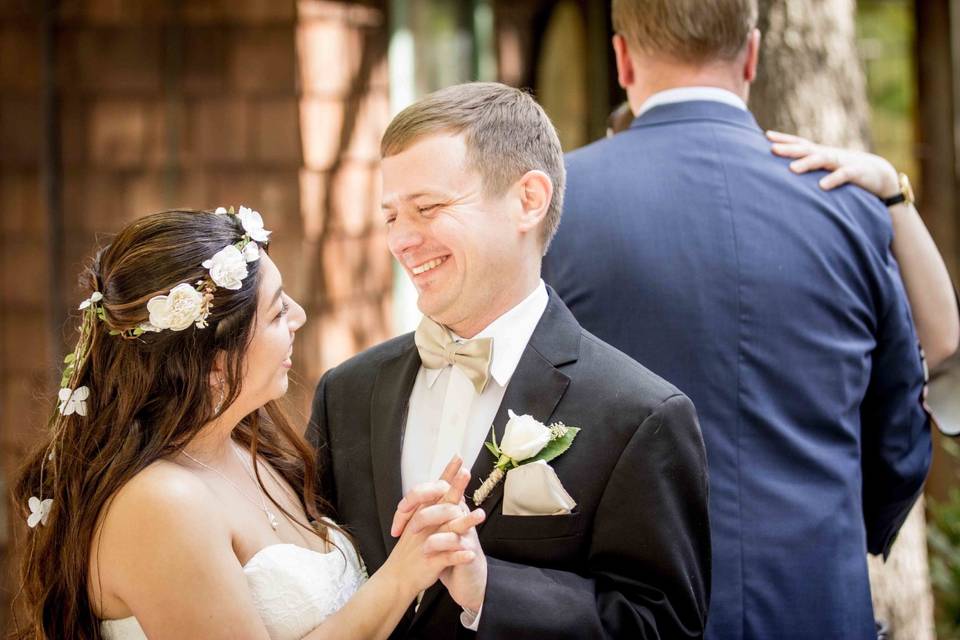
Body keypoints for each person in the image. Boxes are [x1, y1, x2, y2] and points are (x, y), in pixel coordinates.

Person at [540, 0, 941, 638]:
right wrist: (827, 530)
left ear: (621, 59)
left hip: (635, 611)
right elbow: (900, 433)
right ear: (752, 53)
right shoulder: (853, 210)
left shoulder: (556, 209)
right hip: (818, 601)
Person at [308, 82, 711, 639]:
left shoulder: (639, 415)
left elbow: (660, 626)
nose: (401, 240)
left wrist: (488, 587)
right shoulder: (344, 393)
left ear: (528, 200)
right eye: (392, 215)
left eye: (427, 208)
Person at [12, 207, 485, 639]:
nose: (298, 316)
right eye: (278, 312)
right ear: (217, 365)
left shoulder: (249, 448)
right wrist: (400, 577)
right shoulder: (160, 503)